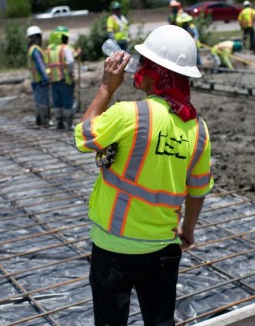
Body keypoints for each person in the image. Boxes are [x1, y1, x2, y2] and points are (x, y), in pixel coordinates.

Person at [73, 25, 213, 326]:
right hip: (163, 248)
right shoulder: (197, 128)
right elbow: (198, 189)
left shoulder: (129, 114)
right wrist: (188, 229)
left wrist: (106, 88)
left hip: (114, 247)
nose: (139, 67)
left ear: (156, 72)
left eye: (145, 62)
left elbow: (83, 137)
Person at [46, 26, 80, 130]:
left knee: (57, 102)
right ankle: (68, 124)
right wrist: (70, 73)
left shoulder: (50, 49)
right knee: (67, 102)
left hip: (53, 80)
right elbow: (70, 61)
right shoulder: (65, 48)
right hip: (65, 80)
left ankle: (59, 123)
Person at [26, 25, 51, 127]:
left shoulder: (30, 49)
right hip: (41, 80)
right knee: (43, 101)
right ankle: (44, 121)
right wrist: (45, 77)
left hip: (35, 80)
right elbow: (40, 65)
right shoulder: (35, 50)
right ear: (36, 37)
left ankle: (39, 121)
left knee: (38, 101)